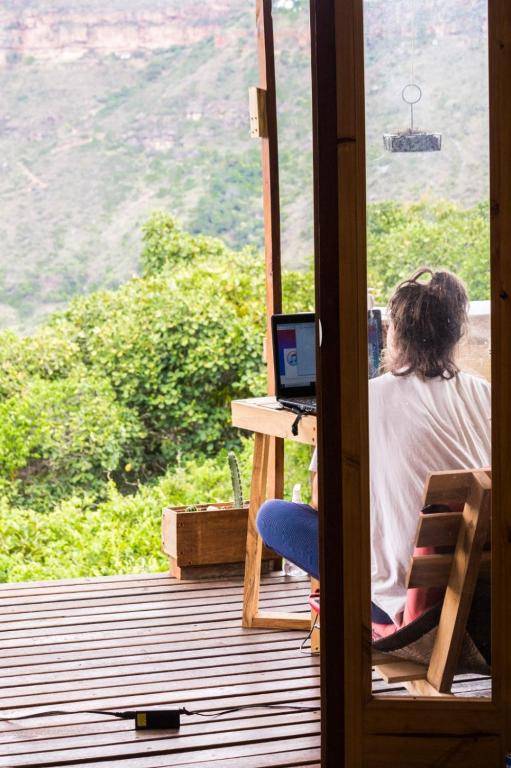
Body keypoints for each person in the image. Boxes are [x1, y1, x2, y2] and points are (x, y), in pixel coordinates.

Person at [256, 268, 491, 630]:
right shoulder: (487, 395)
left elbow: (322, 500)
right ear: (456, 334)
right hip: (484, 597)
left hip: (407, 604)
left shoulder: (360, 400)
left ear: (392, 334)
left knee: (274, 516)